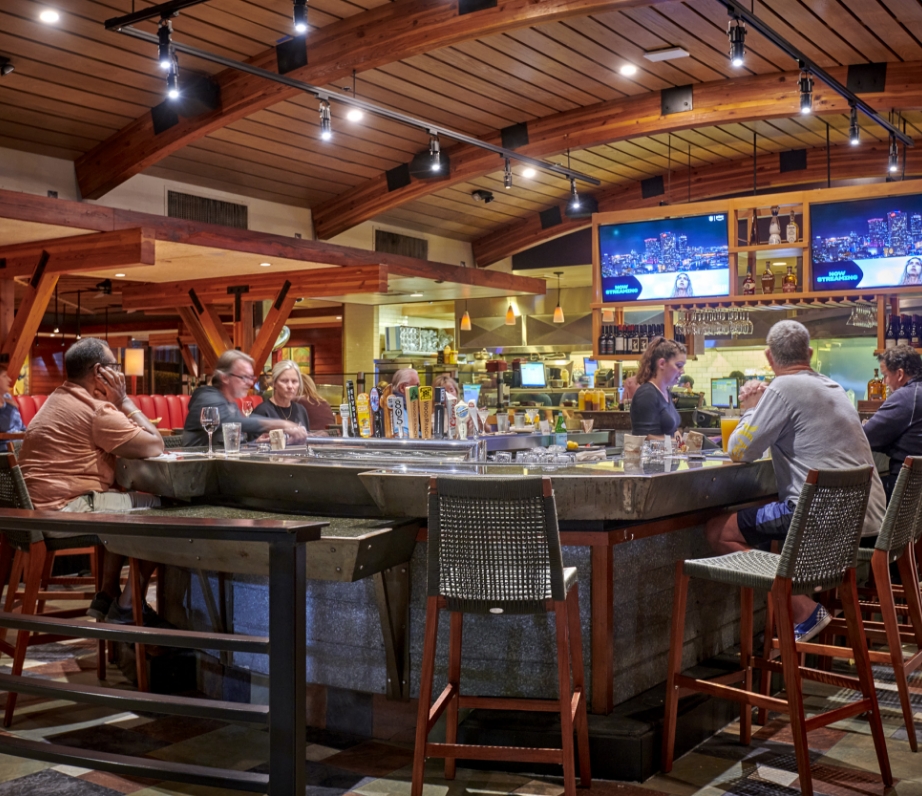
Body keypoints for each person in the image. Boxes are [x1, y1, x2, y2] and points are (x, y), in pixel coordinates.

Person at [706, 320, 886, 642]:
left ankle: (803, 610)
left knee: (717, 530)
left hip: (822, 522)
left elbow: (739, 450)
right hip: (865, 521)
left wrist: (750, 408)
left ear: (768, 356)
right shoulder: (832, 387)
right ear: (810, 354)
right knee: (769, 514)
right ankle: (799, 601)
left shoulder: (782, 387)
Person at [18, 338, 166, 624]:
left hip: (34, 514)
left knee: (119, 495)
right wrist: (123, 400)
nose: (120, 374)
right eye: (115, 366)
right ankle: (127, 606)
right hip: (63, 513)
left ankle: (107, 594)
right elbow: (155, 445)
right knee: (167, 511)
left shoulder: (58, 398)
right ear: (101, 372)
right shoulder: (96, 410)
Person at [182, 350, 307, 447]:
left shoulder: (229, 403)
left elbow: (230, 447)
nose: (249, 383)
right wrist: (280, 424)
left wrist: (254, 444)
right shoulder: (207, 398)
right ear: (225, 377)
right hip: (197, 475)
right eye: (244, 377)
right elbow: (228, 422)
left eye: (251, 378)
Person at [863, 345, 922, 500]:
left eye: (886, 375)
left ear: (900, 374)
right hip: (916, 492)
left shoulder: (906, 396)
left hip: (907, 491)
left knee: (858, 492)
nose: (885, 382)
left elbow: (866, 438)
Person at [629, 337, 686, 442]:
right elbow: (643, 438)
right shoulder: (647, 394)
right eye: (678, 366)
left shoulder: (665, 392)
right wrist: (678, 443)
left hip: (667, 457)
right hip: (651, 458)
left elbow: (673, 431)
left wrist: (689, 442)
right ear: (662, 364)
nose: (682, 371)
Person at [251, 360, 310, 435]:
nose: (290, 386)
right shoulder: (262, 411)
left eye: (294, 381)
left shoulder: (301, 410)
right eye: (284, 381)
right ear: (274, 383)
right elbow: (254, 444)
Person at [0, 357, 25, 433]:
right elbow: (4, 427)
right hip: (7, 443)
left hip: (20, 439)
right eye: (4, 376)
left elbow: (20, 426)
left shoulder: (7, 396)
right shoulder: (6, 402)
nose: (9, 380)